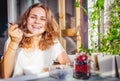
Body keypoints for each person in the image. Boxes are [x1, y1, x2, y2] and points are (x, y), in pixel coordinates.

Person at [1, 3, 71, 78]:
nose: (37, 21)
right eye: (33, 17)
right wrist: (14, 42)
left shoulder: (53, 41)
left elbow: (68, 65)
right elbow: (4, 75)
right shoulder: (12, 40)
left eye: (43, 19)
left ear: (48, 23)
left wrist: (51, 70)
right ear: (26, 20)